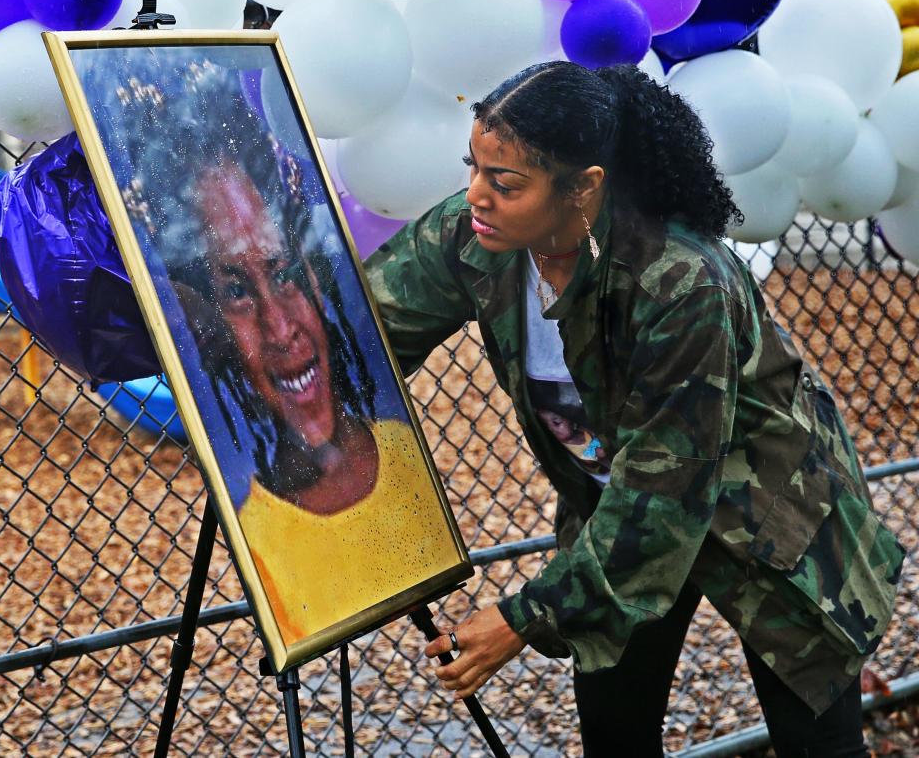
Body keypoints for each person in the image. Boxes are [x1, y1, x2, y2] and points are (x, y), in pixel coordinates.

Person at [364, 61, 905, 757]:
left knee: (818, 744)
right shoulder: (472, 238)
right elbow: (365, 333)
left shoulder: (681, 279)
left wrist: (523, 617)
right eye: (473, 168)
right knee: (616, 737)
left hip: (771, 511)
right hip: (620, 517)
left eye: (506, 182)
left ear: (584, 188)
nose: (476, 196)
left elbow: (662, 496)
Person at [108, 52, 462, 643]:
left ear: (317, 272)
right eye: (237, 291)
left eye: (285, 271)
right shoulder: (261, 537)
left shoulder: (402, 454)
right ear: (200, 320)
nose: (280, 327)